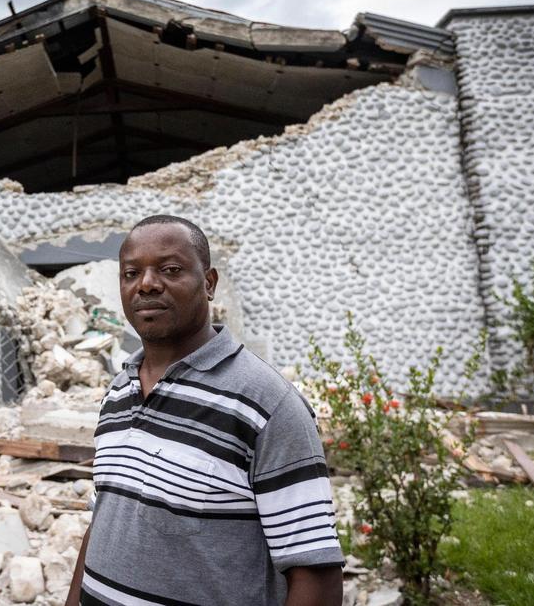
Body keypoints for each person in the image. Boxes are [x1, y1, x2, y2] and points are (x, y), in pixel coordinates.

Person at [66, 215, 344, 606]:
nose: (146, 284)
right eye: (131, 273)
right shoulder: (117, 392)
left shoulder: (267, 404)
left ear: (209, 283)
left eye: (170, 269)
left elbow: (317, 575)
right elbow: (105, 520)